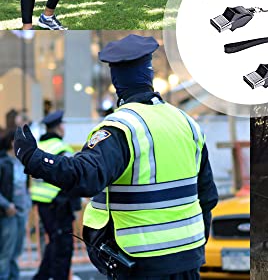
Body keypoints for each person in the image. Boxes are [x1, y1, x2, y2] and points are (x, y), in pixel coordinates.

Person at [14, 34, 218, 279]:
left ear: (117, 81)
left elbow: (84, 176)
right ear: (149, 75)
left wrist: (32, 157)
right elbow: (207, 196)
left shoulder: (123, 127)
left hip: (142, 263)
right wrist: (192, 247)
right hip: (188, 260)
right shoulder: (186, 123)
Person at [30, 110, 80, 280]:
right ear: (59, 127)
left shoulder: (39, 146)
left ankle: (41, 277)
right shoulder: (61, 147)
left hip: (43, 203)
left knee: (54, 244)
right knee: (62, 248)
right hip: (58, 203)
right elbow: (72, 178)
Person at [0, 131, 30, 280]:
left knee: (16, 251)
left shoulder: (21, 162)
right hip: (7, 214)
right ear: (12, 142)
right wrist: (6, 205)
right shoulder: (3, 163)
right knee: (6, 252)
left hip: (21, 212)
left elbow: (25, 187)